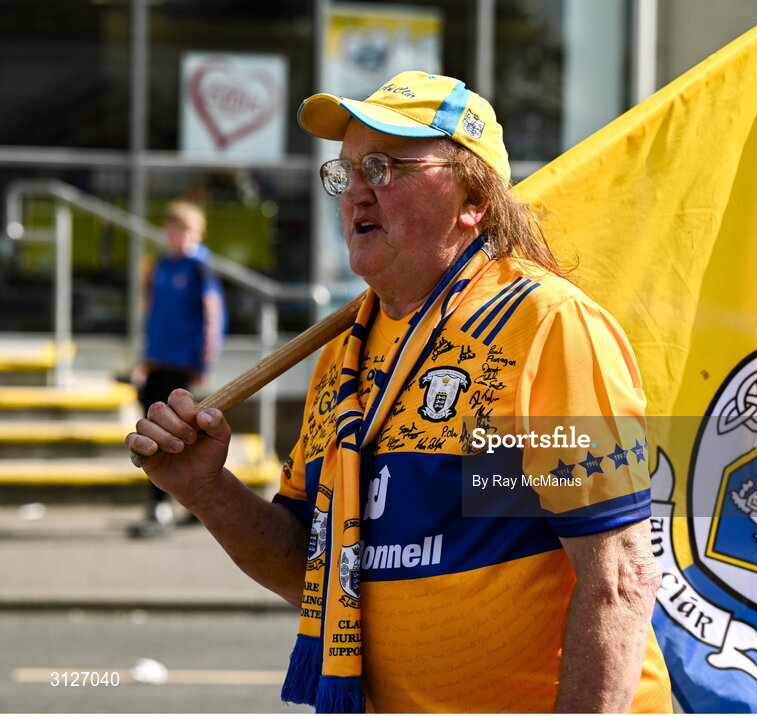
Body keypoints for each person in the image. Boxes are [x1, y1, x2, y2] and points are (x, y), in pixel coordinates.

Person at [126, 71, 671, 712]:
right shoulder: (344, 350)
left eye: (384, 169)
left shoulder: (548, 327)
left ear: (471, 199)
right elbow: (316, 570)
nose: (356, 192)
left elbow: (621, 577)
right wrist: (206, 490)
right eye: (347, 171)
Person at [128, 199, 225, 538]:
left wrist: (206, 359)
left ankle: (166, 505)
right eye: (173, 229)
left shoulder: (200, 267)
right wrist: (144, 357)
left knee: (171, 434)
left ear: (197, 233)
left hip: (182, 363)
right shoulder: (160, 266)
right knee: (149, 426)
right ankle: (162, 503)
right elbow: (152, 315)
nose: (177, 236)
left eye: (184, 230)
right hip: (158, 360)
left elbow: (212, 313)